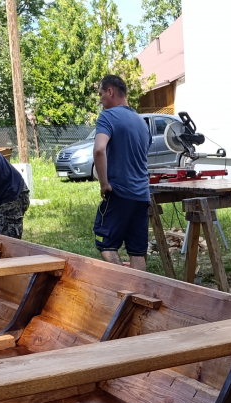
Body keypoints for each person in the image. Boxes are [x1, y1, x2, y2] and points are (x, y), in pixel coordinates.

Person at [92, 74, 151, 270]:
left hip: (119, 193)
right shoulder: (142, 123)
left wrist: (104, 184)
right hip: (142, 196)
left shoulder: (108, 116)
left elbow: (99, 150)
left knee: (106, 243)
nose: (100, 100)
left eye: (101, 94)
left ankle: (122, 282)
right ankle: (138, 288)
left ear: (110, 92)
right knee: (137, 251)